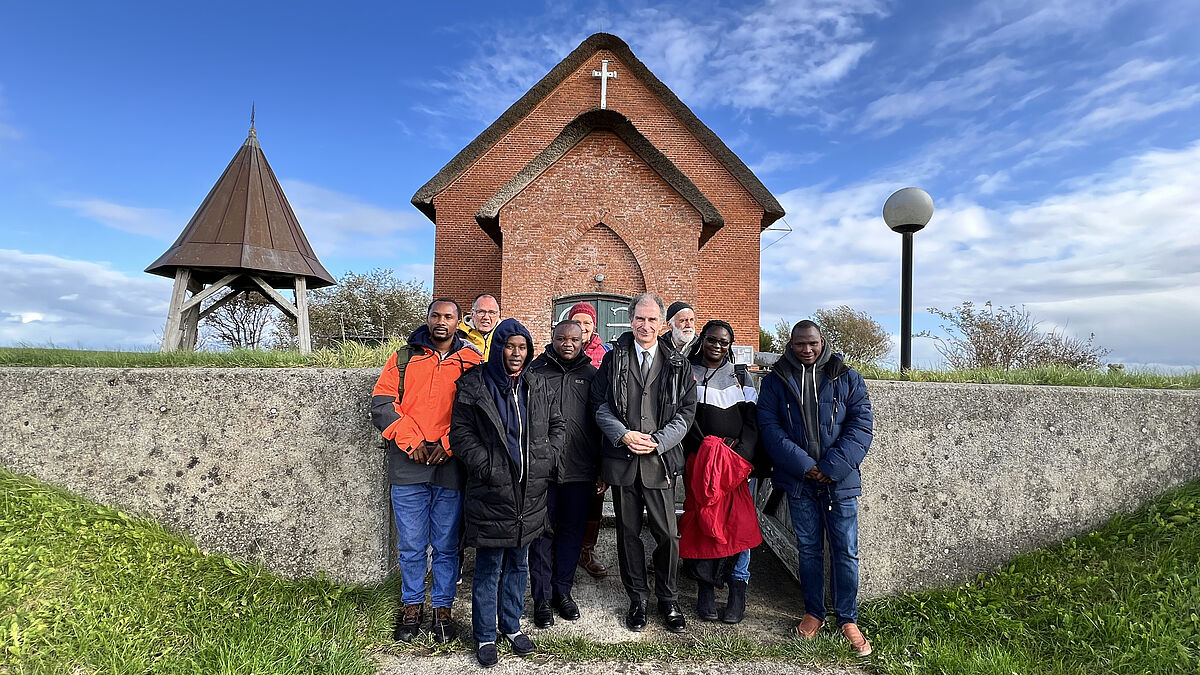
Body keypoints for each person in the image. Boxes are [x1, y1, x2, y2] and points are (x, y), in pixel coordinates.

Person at [449, 318, 564, 668]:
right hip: (491, 492)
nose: (516, 353)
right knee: (488, 566)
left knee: (518, 563)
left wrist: (547, 459)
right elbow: (461, 434)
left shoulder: (537, 383)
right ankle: (485, 634)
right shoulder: (474, 384)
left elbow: (557, 425)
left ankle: (511, 626)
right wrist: (488, 467)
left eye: (522, 347)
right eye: (510, 346)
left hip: (531, 492)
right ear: (498, 347)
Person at [757, 320, 874, 657]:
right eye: (799, 344)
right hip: (799, 481)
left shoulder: (847, 377)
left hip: (840, 482)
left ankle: (847, 618)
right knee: (808, 549)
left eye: (812, 343)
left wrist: (830, 467)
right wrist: (806, 466)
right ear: (790, 344)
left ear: (823, 341)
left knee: (845, 551)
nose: (806, 350)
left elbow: (861, 426)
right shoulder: (776, 380)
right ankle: (814, 613)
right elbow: (770, 428)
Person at [370, 298, 484, 644]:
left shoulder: (472, 362)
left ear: (458, 322)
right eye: (436, 315)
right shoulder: (403, 358)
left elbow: (479, 411)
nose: (441, 321)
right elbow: (382, 404)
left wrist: (447, 445)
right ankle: (412, 606)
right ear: (428, 318)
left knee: (448, 545)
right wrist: (413, 441)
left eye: (449, 317)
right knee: (412, 544)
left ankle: (443, 608)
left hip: (451, 464)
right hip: (408, 463)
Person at [591, 293, 697, 633]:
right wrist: (622, 434)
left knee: (668, 534)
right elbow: (598, 403)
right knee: (628, 534)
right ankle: (637, 598)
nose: (645, 325)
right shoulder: (614, 358)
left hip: (660, 462)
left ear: (662, 324)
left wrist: (659, 441)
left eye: (652, 320)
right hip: (623, 460)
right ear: (631, 320)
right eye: (639, 318)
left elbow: (686, 411)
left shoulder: (678, 363)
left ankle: (668, 598)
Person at [680, 320, 761, 624]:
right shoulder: (686, 372)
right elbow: (683, 419)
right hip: (701, 462)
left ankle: (737, 588)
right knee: (703, 523)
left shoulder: (741, 376)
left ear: (730, 345)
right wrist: (705, 452)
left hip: (735, 464)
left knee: (739, 525)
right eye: (712, 339)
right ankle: (705, 589)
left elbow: (753, 421)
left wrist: (740, 457)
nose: (717, 345)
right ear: (702, 340)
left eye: (724, 342)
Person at [527, 320, 600, 627]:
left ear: (583, 340)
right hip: (543, 469)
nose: (568, 343)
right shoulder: (535, 372)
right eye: (562, 338)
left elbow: (600, 424)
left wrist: (601, 469)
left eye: (574, 338)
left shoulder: (592, 375)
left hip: (580, 470)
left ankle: (563, 591)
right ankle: (541, 598)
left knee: (571, 533)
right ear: (552, 339)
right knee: (541, 533)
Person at [567, 300, 611, 579]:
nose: (582, 328)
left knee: (595, 494)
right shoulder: (564, 347)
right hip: (568, 436)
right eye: (578, 321)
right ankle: (563, 547)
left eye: (587, 323)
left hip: (597, 434)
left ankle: (586, 549)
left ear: (594, 326)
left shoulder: (605, 355)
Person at [464, 293, 501, 358]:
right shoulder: (458, 336)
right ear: (472, 314)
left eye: (492, 312)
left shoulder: (505, 337)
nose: (486, 317)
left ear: (498, 315)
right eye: (481, 312)